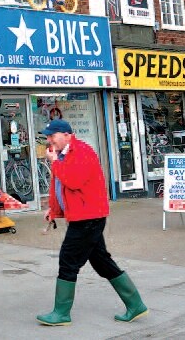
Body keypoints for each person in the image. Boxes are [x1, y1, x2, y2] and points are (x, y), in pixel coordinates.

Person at [36, 119, 147, 327]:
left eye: (52, 136)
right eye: (48, 136)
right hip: (85, 216)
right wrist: (54, 210)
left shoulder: (81, 152)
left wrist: (54, 163)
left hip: (88, 217)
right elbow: (61, 188)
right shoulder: (63, 155)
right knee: (102, 262)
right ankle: (136, 305)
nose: (49, 140)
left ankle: (61, 313)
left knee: (68, 260)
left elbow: (73, 181)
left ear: (67, 134)